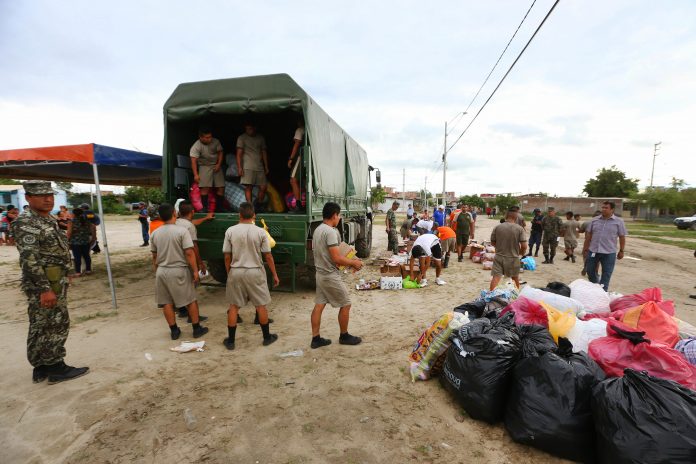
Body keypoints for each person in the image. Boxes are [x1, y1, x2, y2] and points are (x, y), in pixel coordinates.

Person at [13, 181, 89, 384]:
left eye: (50, 195)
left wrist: (69, 271)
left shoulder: (47, 218)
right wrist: (45, 289)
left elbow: (58, 248)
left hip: (55, 278)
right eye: (41, 195)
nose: (48, 199)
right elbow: (30, 260)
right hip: (46, 283)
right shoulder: (26, 222)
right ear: (28, 197)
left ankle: (41, 365)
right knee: (55, 323)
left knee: (40, 323)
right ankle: (56, 367)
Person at [222, 202, 279, 350]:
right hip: (255, 271)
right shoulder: (260, 232)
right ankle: (267, 337)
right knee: (261, 305)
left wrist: (230, 272)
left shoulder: (230, 231)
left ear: (239, 215)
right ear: (254, 215)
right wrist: (274, 274)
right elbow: (268, 256)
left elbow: (227, 256)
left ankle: (231, 341)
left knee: (233, 306)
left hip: (236, 271)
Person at [150, 203, 209, 340]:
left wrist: (157, 270)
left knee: (166, 302)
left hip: (162, 271)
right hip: (178, 270)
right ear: (174, 214)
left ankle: (174, 331)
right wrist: (195, 271)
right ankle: (196, 328)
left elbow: (154, 255)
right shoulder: (182, 231)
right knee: (190, 300)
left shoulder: (155, 233)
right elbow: (189, 252)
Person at [310, 202, 363, 349]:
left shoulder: (318, 229)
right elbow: (337, 258)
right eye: (339, 215)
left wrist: (351, 259)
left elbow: (335, 254)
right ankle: (344, 336)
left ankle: (315, 339)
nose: (339, 218)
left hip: (320, 273)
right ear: (334, 215)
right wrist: (353, 263)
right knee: (346, 304)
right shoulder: (331, 232)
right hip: (329, 275)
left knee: (319, 305)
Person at [175, 201, 214, 321]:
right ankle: (193, 317)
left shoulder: (176, 222)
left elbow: (192, 223)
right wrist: (200, 263)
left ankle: (181, 310)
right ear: (192, 212)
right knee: (190, 289)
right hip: (186, 261)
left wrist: (205, 218)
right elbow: (193, 247)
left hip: (174, 260)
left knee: (179, 287)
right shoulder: (189, 227)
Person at [582, 201, 627, 291]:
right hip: (593, 251)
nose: (603, 209)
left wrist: (621, 251)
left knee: (606, 274)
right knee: (590, 271)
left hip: (609, 253)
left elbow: (622, 237)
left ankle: (603, 293)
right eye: (603, 207)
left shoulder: (619, 222)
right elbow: (588, 236)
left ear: (612, 209)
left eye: (606, 208)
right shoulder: (594, 220)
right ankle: (597, 286)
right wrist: (585, 248)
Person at [489, 209, 527, 290]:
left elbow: (492, 242)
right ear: (516, 217)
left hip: (499, 256)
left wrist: (499, 248)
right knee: (515, 278)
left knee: (495, 278)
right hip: (513, 257)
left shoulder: (498, 227)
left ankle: (490, 297)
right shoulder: (520, 229)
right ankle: (516, 296)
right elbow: (524, 246)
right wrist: (521, 253)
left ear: (506, 216)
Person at [190, 127, 225, 213]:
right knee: (205, 188)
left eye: (210, 137)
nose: (209, 139)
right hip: (204, 166)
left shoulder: (215, 141)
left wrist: (218, 164)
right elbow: (193, 161)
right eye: (207, 137)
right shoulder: (196, 146)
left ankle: (219, 209)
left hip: (216, 165)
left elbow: (220, 152)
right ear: (200, 137)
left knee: (221, 187)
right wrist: (196, 174)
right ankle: (204, 209)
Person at [236, 121, 269, 210]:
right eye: (247, 129)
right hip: (247, 166)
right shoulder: (242, 138)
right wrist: (239, 167)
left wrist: (266, 166)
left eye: (250, 128)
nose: (249, 130)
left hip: (259, 165)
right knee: (248, 187)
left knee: (263, 187)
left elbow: (263, 152)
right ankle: (250, 207)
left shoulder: (260, 138)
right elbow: (239, 154)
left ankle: (258, 204)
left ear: (255, 128)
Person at [67, 208, 96, 276]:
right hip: (86, 241)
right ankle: (88, 270)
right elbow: (93, 229)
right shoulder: (87, 221)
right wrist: (93, 238)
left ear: (73, 214)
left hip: (75, 242)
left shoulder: (71, 221)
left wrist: (67, 241)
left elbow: (69, 233)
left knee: (77, 257)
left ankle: (78, 272)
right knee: (87, 256)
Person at [287, 117, 305, 211]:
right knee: (304, 180)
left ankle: (298, 204)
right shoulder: (308, 130)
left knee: (293, 180)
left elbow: (296, 144)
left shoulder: (300, 130)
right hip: (307, 157)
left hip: (301, 156)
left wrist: (291, 158)